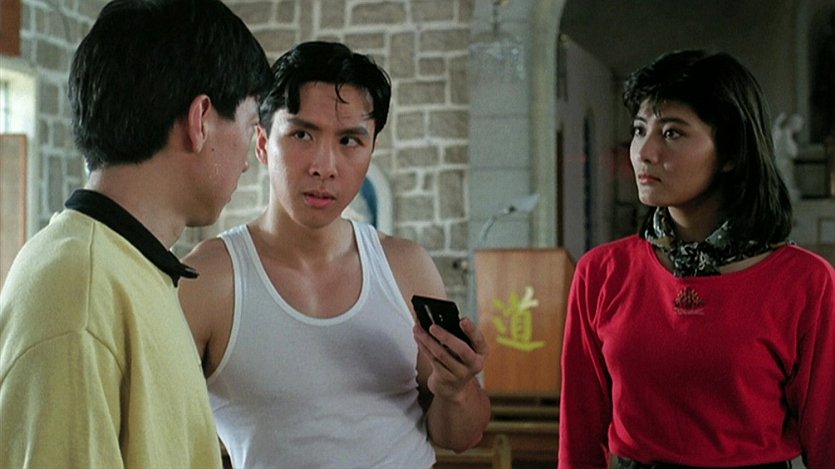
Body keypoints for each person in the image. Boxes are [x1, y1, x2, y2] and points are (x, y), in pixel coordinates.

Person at [178, 41, 492, 468]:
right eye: (302, 135)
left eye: (349, 140)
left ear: (370, 150)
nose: (324, 166)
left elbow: (461, 436)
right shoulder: (210, 279)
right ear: (262, 143)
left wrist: (455, 389)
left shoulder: (405, 266)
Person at [0, 0, 271, 467]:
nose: (247, 161)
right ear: (201, 120)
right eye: (250, 126)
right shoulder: (81, 290)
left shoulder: (127, 265)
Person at [559, 50, 835, 468]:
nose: (644, 152)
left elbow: (828, 440)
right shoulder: (602, 273)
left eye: (672, 133)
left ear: (731, 152)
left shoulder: (805, 282)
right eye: (639, 130)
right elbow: (578, 440)